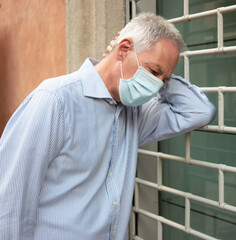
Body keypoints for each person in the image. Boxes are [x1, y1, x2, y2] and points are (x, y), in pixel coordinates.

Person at [0, 13, 215, 240]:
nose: (156, 86)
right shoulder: (56, 100)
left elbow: (199, 111)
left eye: (164, 80)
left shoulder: (136, 114)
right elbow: (11, 200)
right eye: (153, 72)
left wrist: (162, 79)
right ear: (123, 49)